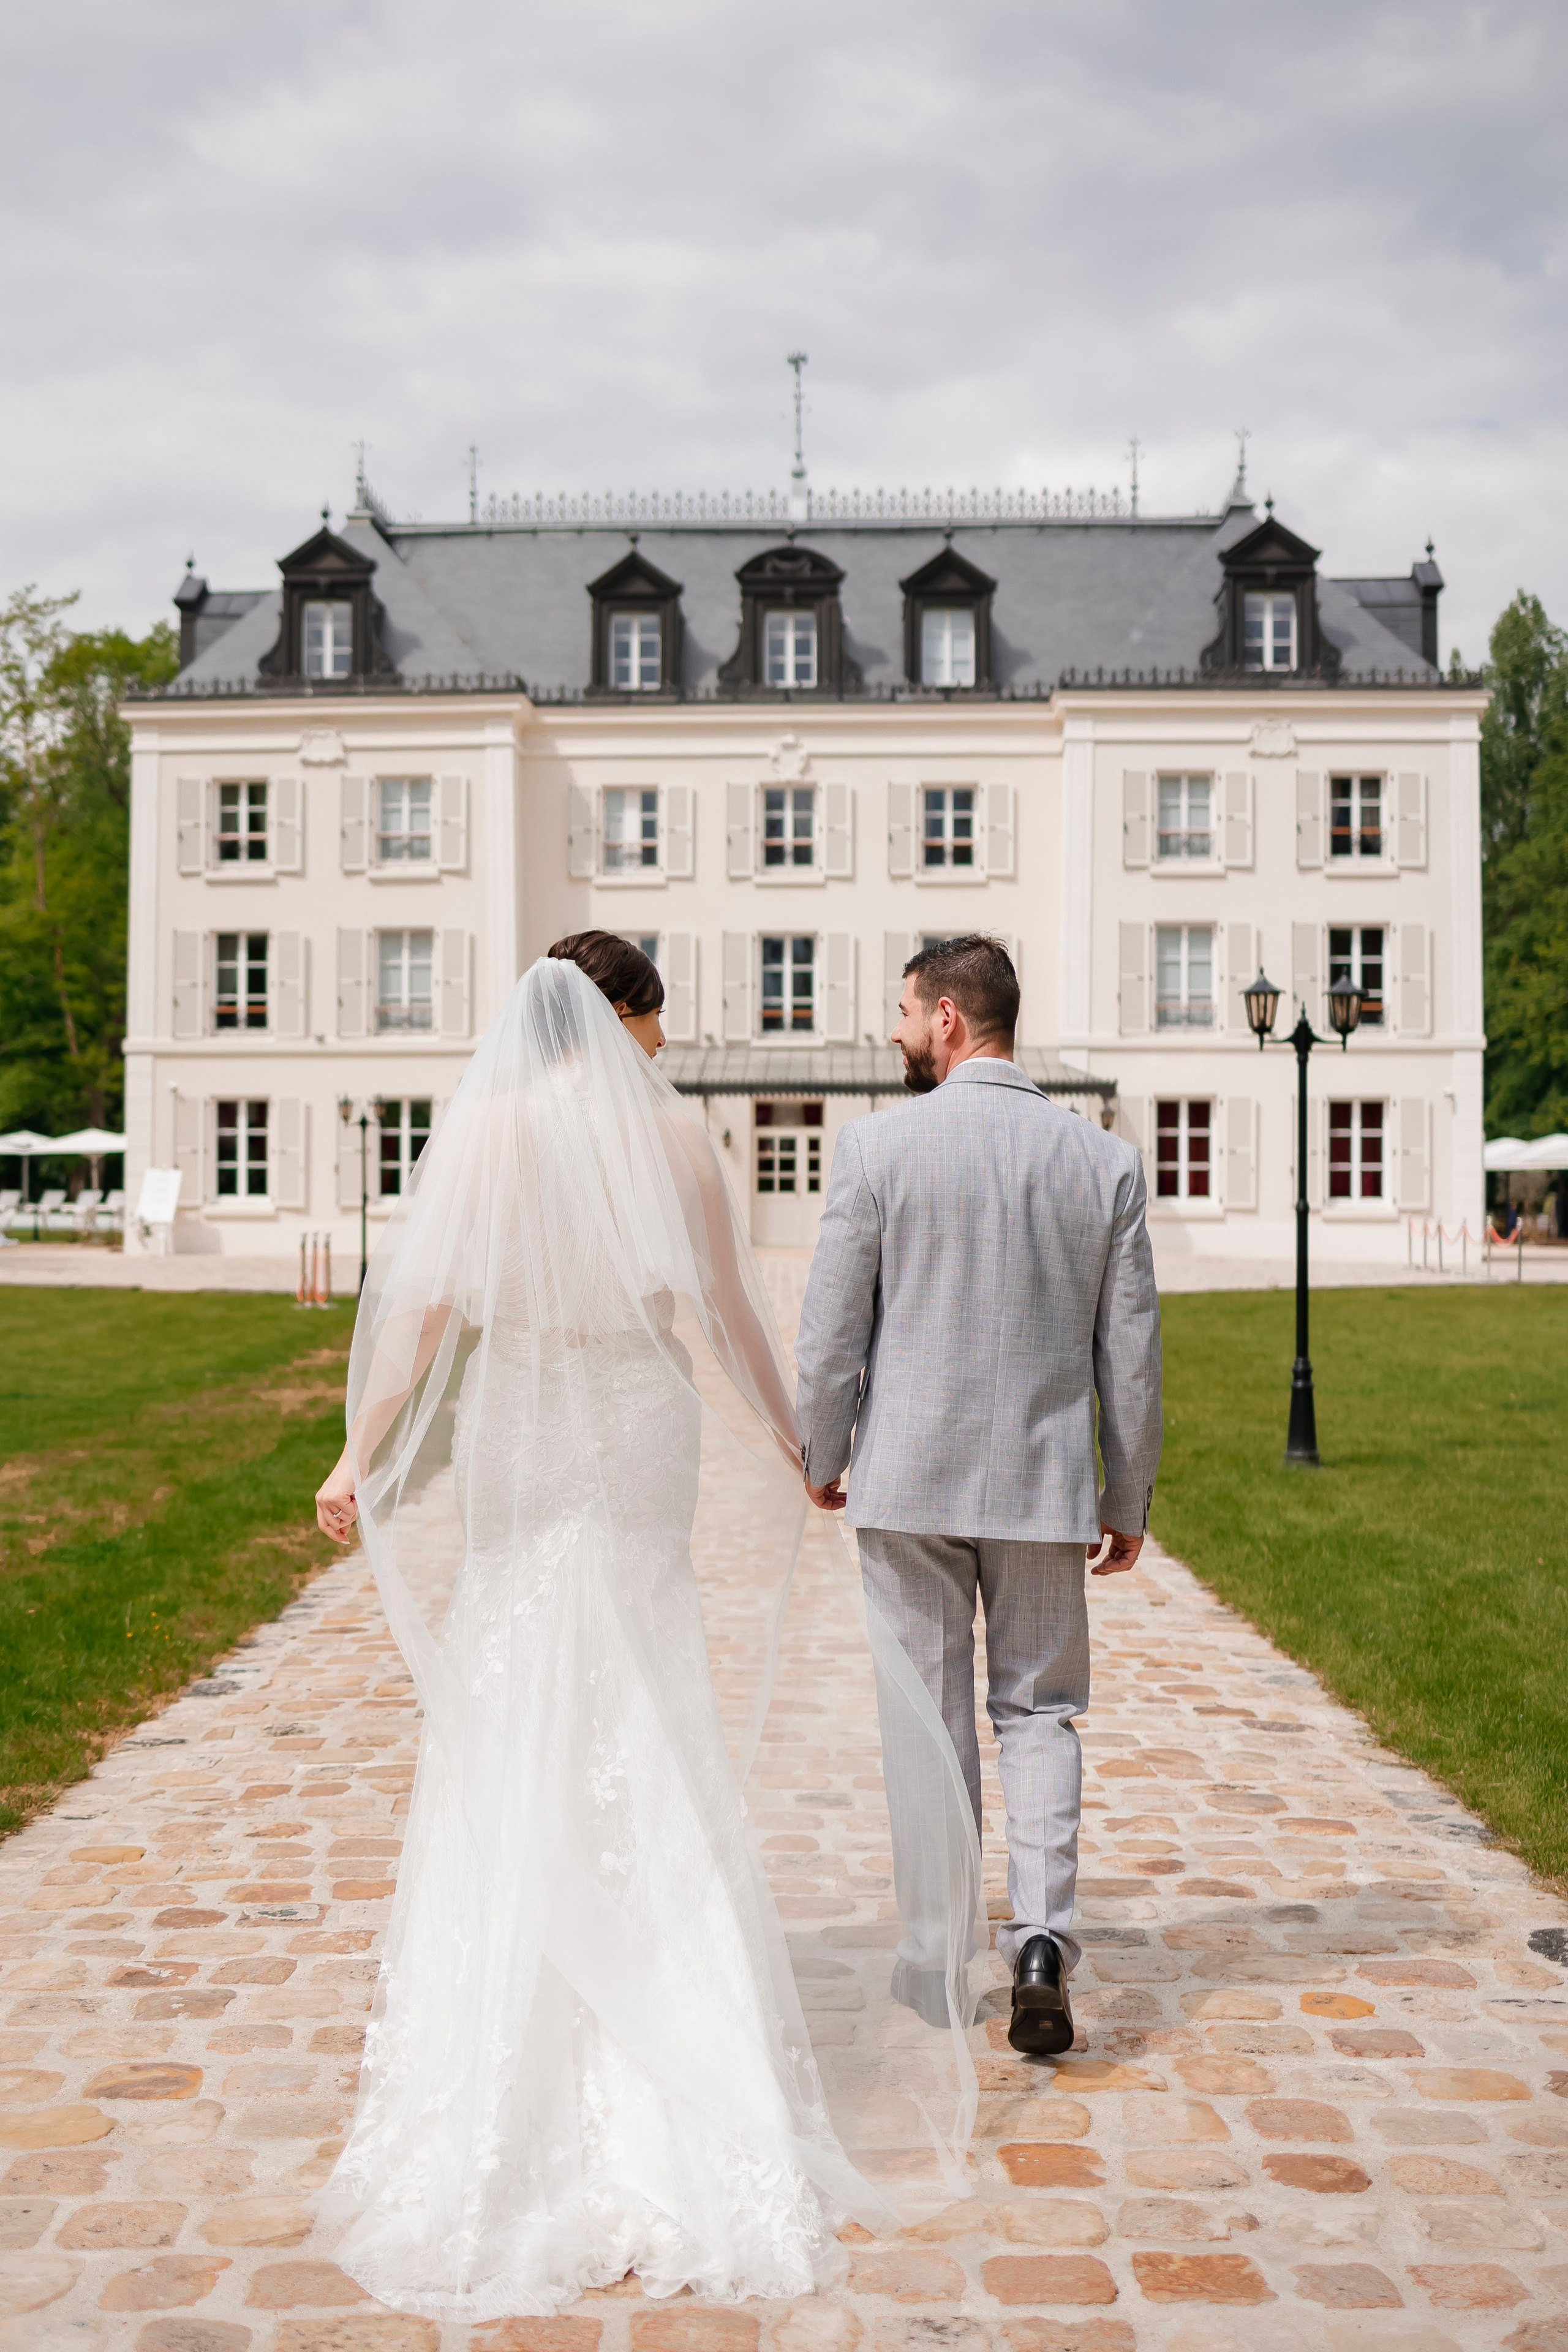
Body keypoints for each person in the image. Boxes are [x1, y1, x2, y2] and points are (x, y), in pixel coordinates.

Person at [310, 936, 919, 2323]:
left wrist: (358, 1460)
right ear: (626, 1016)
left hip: (520, 1422)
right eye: (652, 1021)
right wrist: (793, 1439)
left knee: (517, 1672)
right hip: (637, 1432)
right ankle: (671, 2046)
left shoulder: (489, 1133)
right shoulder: (675, 1138)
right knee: (644, 1695)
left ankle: (506, 2054)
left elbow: (422, 1319)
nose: (659, 1044)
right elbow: (725, 1312)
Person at [794, 935, 1162, 2057]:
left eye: (905, 1013)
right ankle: (1040, 1940)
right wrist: (1129, 1493)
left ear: (950, 1019)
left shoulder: (874, 1148)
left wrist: (820, 1451)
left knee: (928, 1717)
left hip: (906, 1480)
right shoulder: (1098, 1162)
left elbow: (828, 1335)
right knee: (1040, 1712)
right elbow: (1133, 1356)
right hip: (1044, 1488)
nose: (897, 1032)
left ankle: (937, 1951)